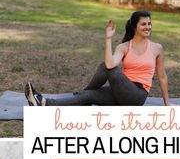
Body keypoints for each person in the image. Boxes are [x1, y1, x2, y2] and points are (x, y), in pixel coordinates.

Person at [25, 10, 170, 107]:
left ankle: (81, 94)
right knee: (89, 95)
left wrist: (167, 103)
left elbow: (162, 77)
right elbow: (109, 64)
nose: (148, 27)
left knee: (107, 68)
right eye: (143, 24)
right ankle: (43, 102)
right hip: (120, 91)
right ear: (134, 27)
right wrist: (108, 39)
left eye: (149, 23)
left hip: (137, 95)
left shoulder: (157, 48)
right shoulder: (124, 47)